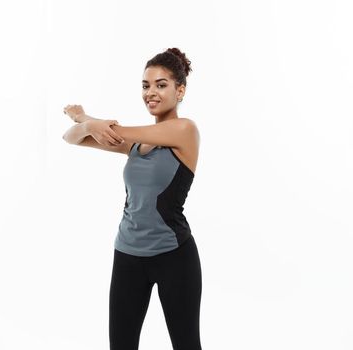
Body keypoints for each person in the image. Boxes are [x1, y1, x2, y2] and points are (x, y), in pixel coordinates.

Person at [61, 47, 202, 350]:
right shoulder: (136, 145)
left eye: (161, 85)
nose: (151, 92)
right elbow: (71, 138)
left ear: (181, 90)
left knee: (187, 344)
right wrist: (85, 125)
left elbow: (115, 130)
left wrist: (84, 116)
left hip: (174, 256)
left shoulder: (185, 131)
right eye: (146, 85)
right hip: (127, 254)